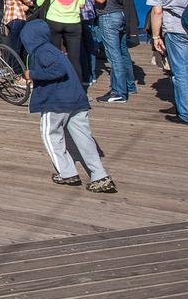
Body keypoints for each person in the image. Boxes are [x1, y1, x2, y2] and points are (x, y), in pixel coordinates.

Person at [20, 21, 117, 194]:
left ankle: (67, 172)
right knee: (84, 137)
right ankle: (99, 175)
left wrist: (32, 74)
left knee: (50, 133)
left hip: (57, 100)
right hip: (76, 99)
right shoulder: (54, 49)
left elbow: (58, 71)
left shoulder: (42, 51)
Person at [92, 0, 136, 103]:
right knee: (123, 51)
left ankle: (118, 91)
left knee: (113, 54)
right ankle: (130, 84)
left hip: (108, 14)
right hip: (122, 13)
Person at [35, 0, 89, 83]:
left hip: (54, 21)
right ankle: (77, 87)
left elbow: (39, 1)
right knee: (74, 58)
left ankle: (56, 83)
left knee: (55, 54)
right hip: (73, 22)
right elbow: (81, 5)